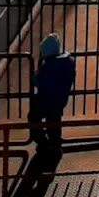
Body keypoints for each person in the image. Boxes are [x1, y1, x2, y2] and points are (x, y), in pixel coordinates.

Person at [30, 33, 78, 180]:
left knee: (33, 118)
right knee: (55, 123)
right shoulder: (68, 62)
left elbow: (39, 82)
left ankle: (43, 145)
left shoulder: (49, 67)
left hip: (45, 99)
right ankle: (56, 147)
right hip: (59, 100)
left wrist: (36, 75)